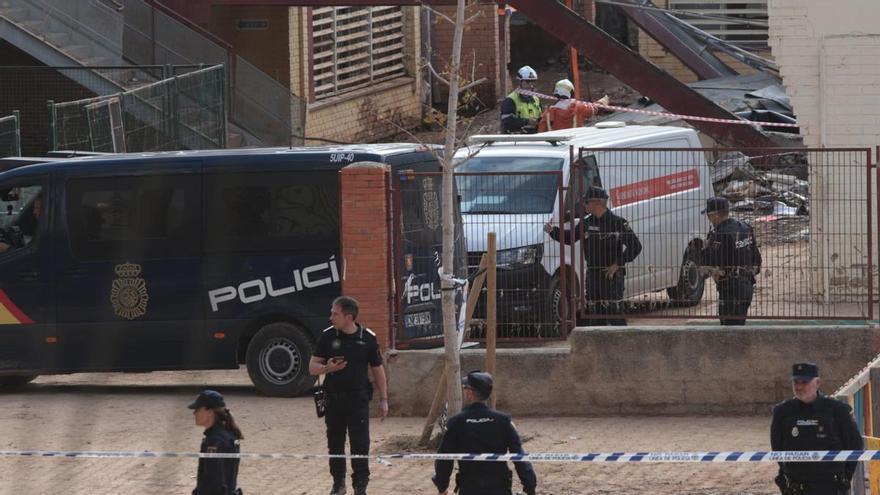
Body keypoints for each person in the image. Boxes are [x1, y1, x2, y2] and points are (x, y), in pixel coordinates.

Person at [309, 296, 389, 495]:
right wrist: (327, 368)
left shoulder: (367, 338)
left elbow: (378, 370)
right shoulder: (327, 336)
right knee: (335, 444)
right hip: (333, 399)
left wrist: (384, 399)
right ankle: (338, 484)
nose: (331, 317)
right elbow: (312, 367)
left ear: (349, 317)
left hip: (358, 400)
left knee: (360, 445)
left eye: (335, 314)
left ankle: (360, 486)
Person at [543, 186, 642, 325]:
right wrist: (552, 231)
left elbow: (636, 246)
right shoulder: (587, 223)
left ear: (597, 202)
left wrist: (617, 264)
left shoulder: (617, 222)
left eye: (586, 202)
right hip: (593, 276)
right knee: (595, 317)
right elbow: (570, 238)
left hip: (611, 277)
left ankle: (620, 339)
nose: (584, 205)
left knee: (614, 315)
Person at [432, 371, 537, 495]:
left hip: (469, 489)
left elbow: (444, 458)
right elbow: (519, 456)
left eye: (465, 388)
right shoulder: (503, 421)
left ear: (470, 394)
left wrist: (442, 487)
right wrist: (529, 487)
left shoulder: (456, 423)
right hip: (499, 489)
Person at [770, 363, 863, 495]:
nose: (799, 387)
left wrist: (844, 476)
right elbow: (777, 449)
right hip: (796, 488)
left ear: (817, 383)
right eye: (796, 382)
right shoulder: (782, 412)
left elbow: (855, 444)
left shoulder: (837, 410)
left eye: (805, 382)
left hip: (831, 488)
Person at [700, 197, 762, 325]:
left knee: (729, 329)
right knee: (739, 324)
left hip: (730, 290)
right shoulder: (745, 227)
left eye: (708, 215)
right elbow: (757, 259)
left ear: (716, 215)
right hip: (747, 286)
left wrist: (705, 249)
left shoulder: (719, 234)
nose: (708, 218)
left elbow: (711, 262)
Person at [189, 389, 243, 495]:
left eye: (198, 409)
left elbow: (213, 479)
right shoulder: (228, 434)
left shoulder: (214, 440)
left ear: (209, 412)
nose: (194, 413)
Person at [537, 79, 609, 133]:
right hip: (576, 144)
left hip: (556, 146)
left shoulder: (548, 113)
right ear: (571, 93)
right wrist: (602, 102)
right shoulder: (580, 107)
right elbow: (594, 109)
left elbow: (541, 133)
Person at [500, 66, 542, 134]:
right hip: (517, 137)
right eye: (528, 82)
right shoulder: (510, 100)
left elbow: (541, 116)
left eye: (532, 82)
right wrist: (527, 121)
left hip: (534, 135)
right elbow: (507, 121)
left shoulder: (536, 99)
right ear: (520, 81)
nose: (531, 85)